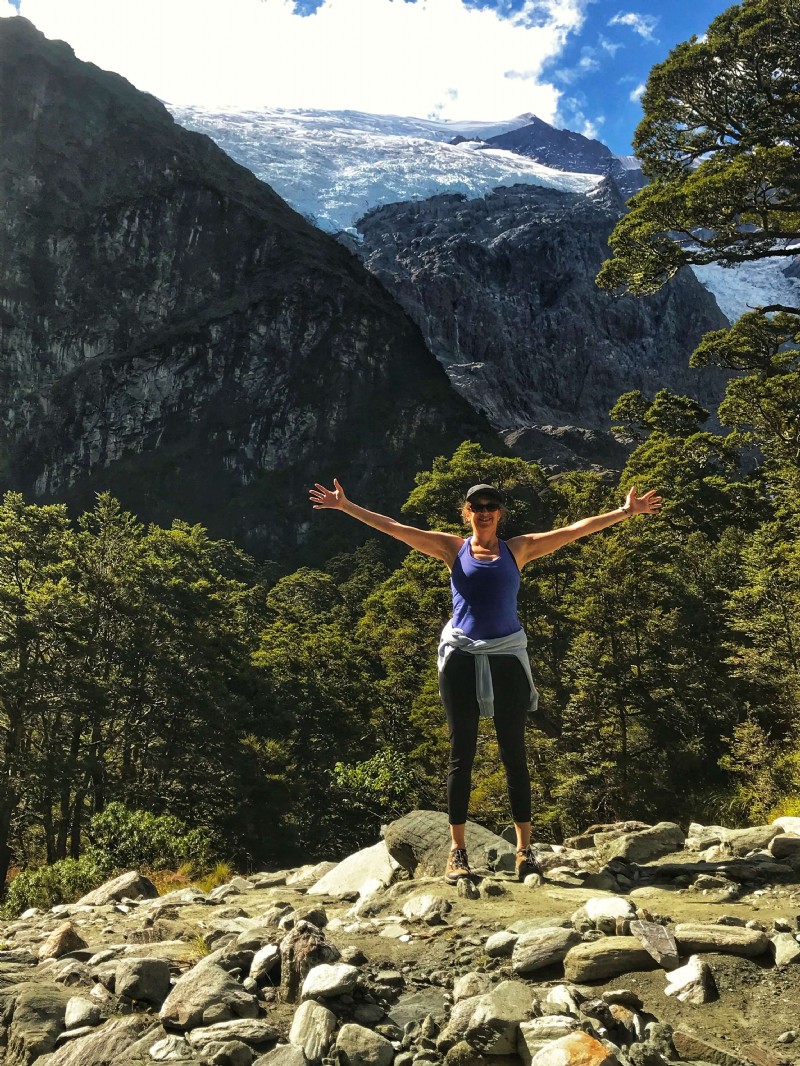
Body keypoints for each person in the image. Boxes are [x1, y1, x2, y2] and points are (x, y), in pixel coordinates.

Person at [309, 477, 662, 885]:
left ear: (500, 513)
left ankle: (525, 851)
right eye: (477, 506)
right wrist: (346, 506)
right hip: (461, 658)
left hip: (507, 657)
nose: (485, 511)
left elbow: (574, 530)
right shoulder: (452, 548)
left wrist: (626, 512)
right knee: (463, 754)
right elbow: (394, 528)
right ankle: (457, 851)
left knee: (515, 754)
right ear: (468, 513)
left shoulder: (519, 549)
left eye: (491, 505)